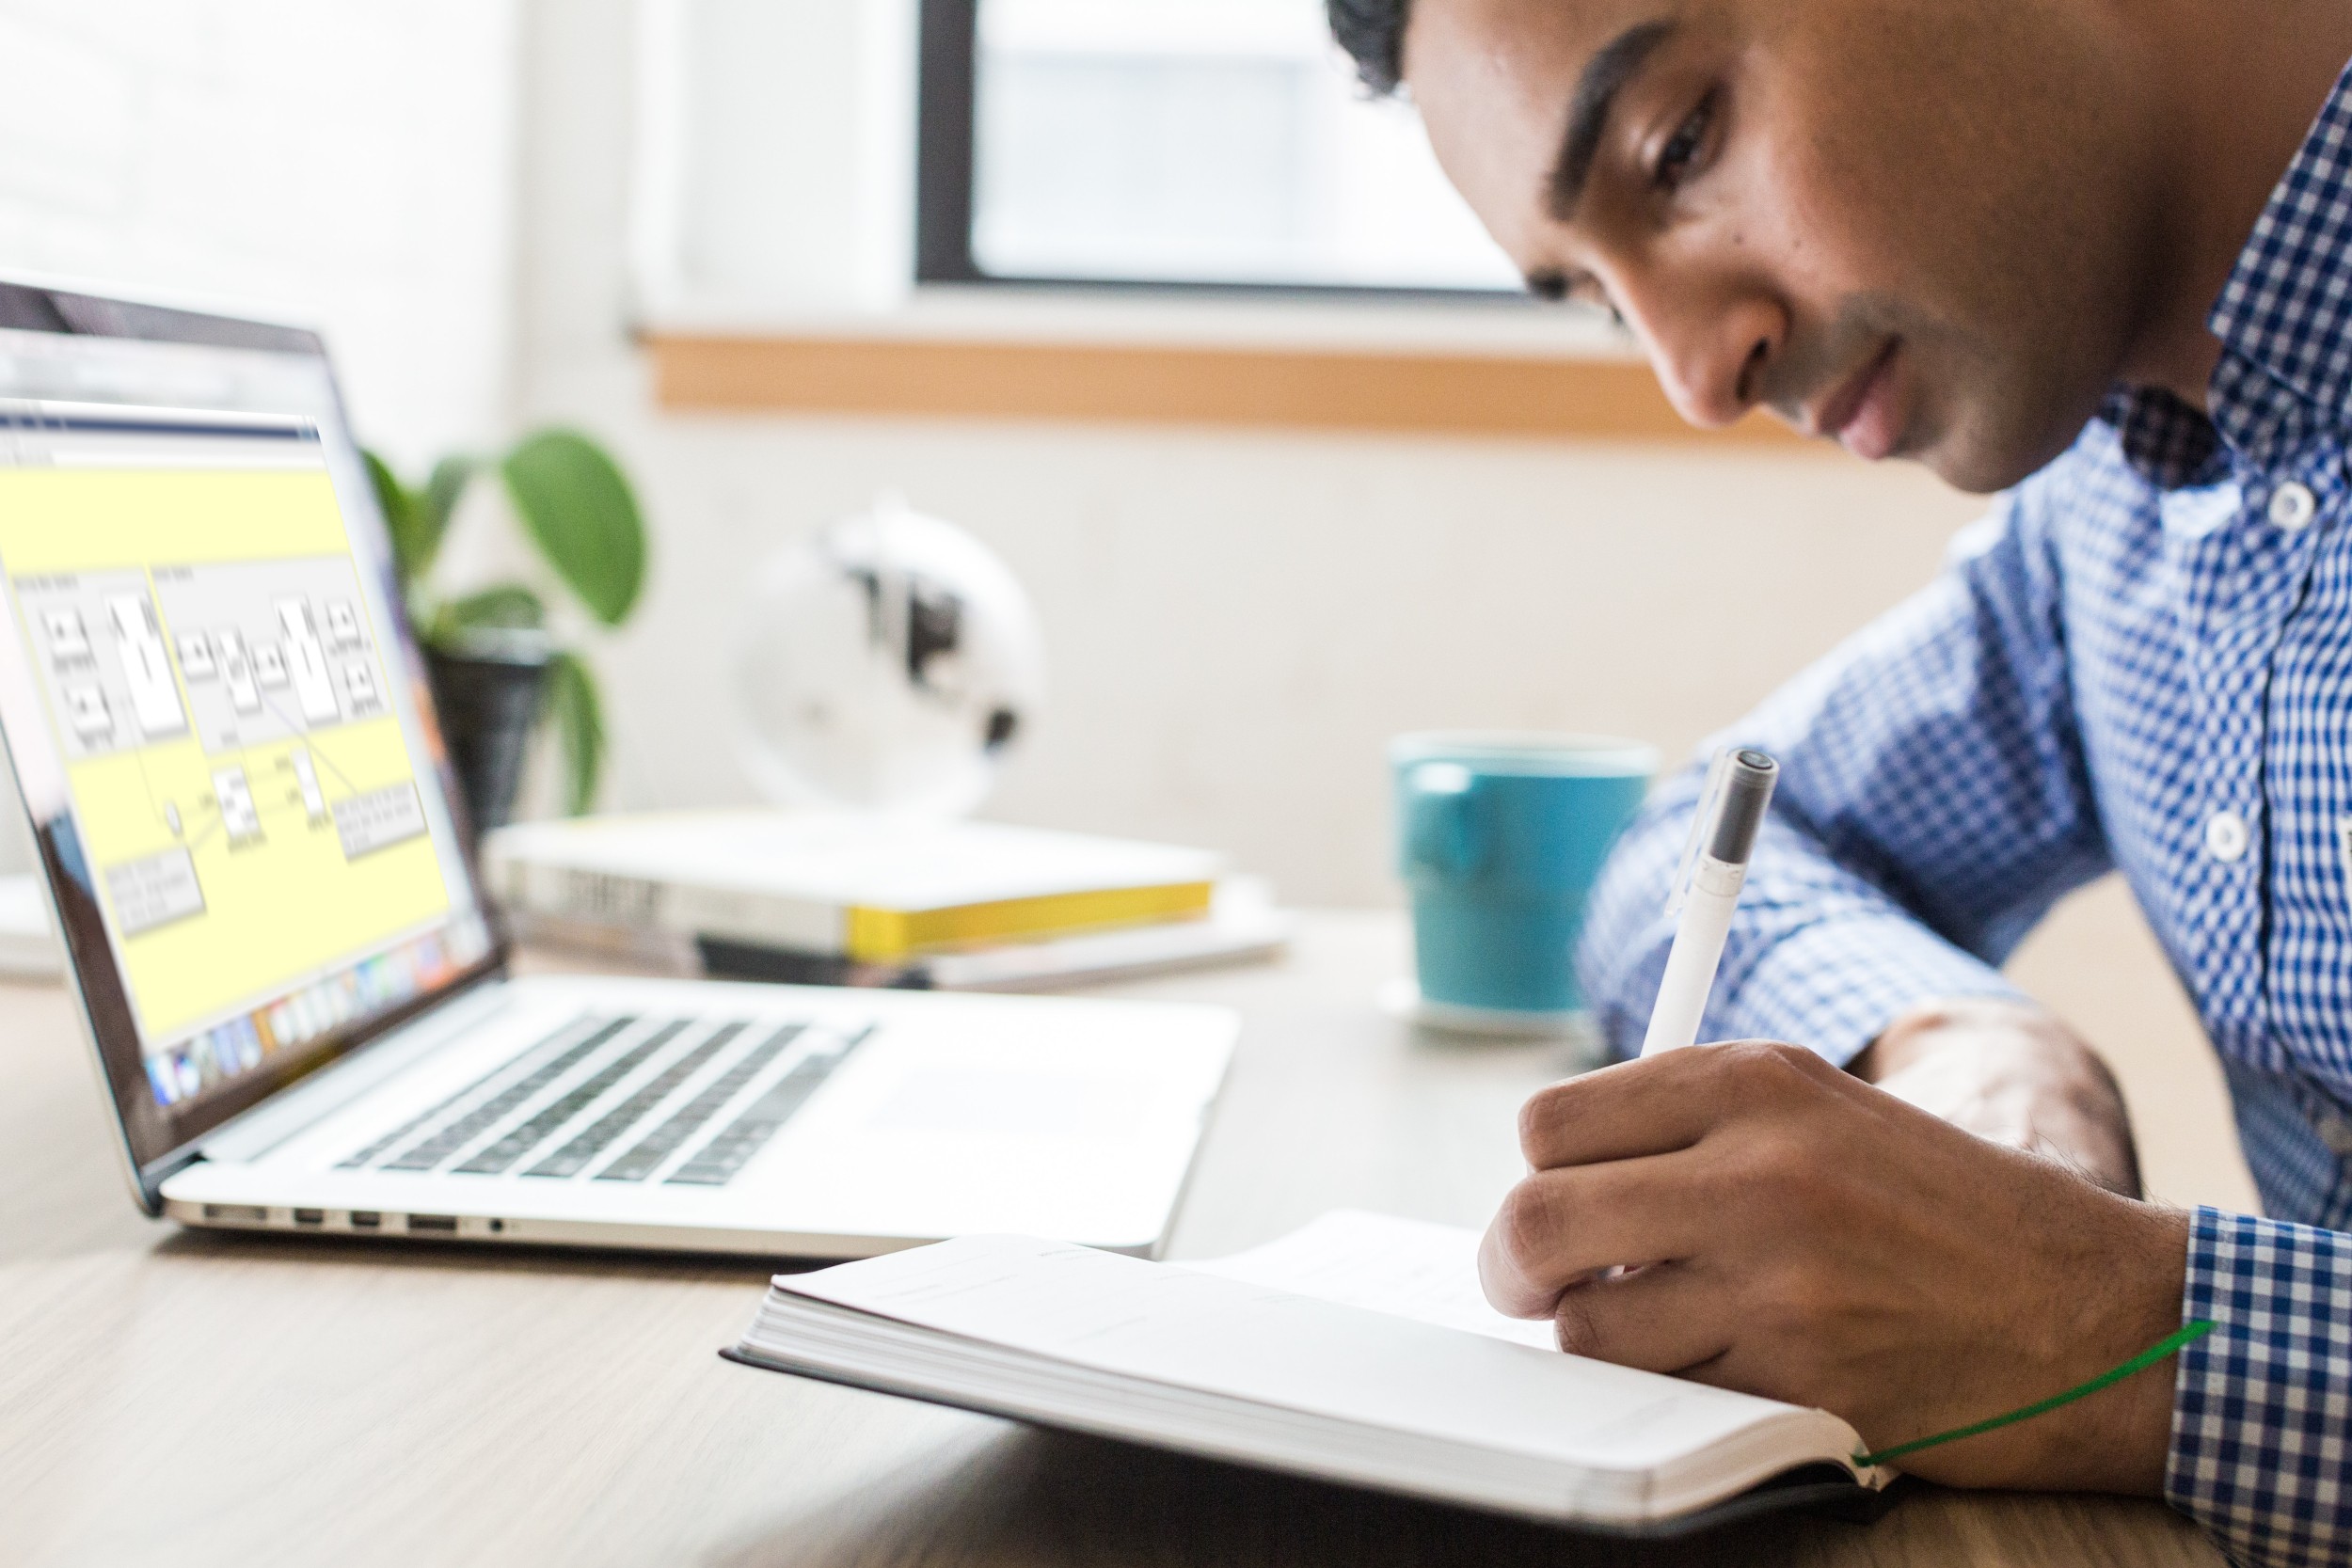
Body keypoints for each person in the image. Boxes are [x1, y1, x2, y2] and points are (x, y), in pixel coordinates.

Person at [1324, 0, 2352, 1561]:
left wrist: (2102, 1325)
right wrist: (1975, 1048)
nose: (1694, 374)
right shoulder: (2116, 516)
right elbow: (1702, 844)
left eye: (1680, 146)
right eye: (1601, 299)